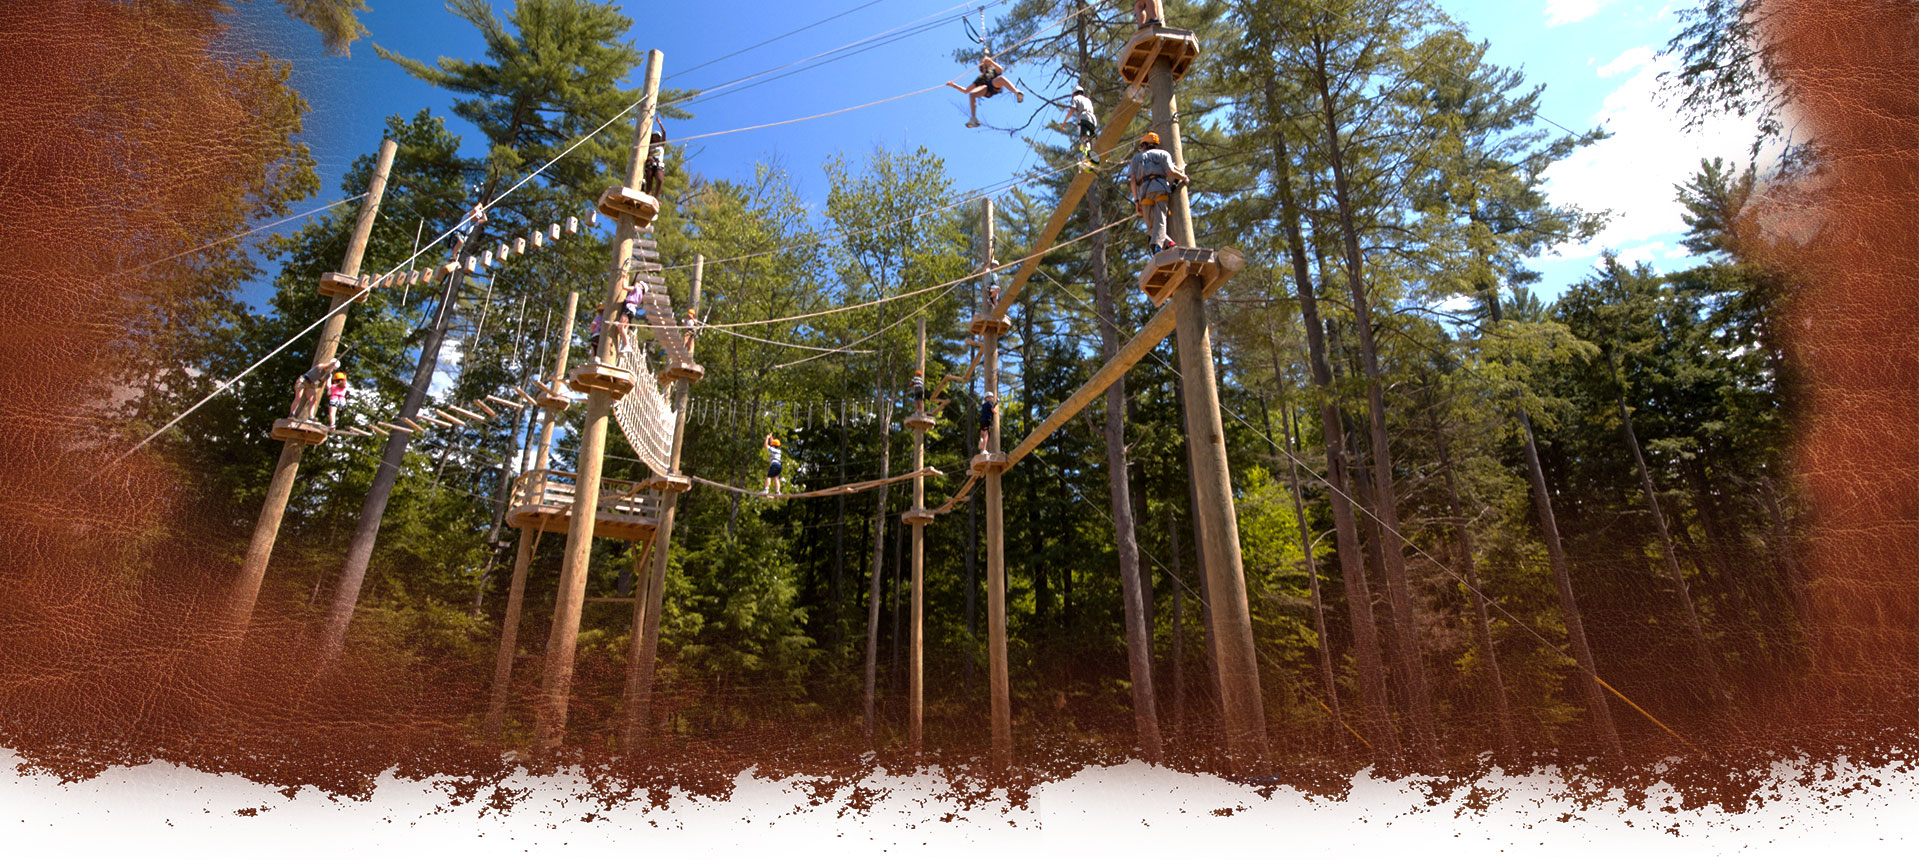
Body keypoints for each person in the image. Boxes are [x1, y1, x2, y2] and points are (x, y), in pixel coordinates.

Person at [1128, 131, 1186, 254]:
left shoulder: (1136, 158)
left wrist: (1136, 201)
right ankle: (1168, 244)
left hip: (1145, 193)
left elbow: (1132, 181)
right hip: (1160, 189)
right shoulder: (1163, 154)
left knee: (1151, 225)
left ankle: (1157, 246)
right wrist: (1183, 177)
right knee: (1159, 221)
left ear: (1144, 145)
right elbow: (1170, 171)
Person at [945, 54, 1024, 128]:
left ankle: (1016, 92)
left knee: (1001, 79)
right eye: (982, 63)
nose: (984, 63)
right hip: (986, 89)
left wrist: (991, 61)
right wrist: (953, 85)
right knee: (972, 94)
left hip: (994, 84)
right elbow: (966, 90)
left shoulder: (992, 71)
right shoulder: (980, 78)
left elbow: (1000, 70)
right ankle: (973, 118)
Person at [290, 358, 339, 422]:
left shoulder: (329, 375)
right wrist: (330, 364)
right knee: (298, 397)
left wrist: (330, 389)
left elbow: (328, 384)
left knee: (313, 400)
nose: (331, 369)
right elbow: (320, 366)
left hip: (310, 385)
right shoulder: (321, 367)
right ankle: (292, 414)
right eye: (331, 367)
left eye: (333, 368)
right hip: (303, 381)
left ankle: (311, 416)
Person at [1063, 85, 1099, 170]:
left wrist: (1064, 122)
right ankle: (1090, 158)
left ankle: (1087, 159)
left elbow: (1072, 109)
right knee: (1088, 141)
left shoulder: (1076, 98)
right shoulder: (1088, 100)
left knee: (1084, 140)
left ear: (1074, 93)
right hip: (1093, 120)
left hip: (1084, 118)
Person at [641, 130, 666, 197]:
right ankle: (648, 194)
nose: (656, 138)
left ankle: (656, 197)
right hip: (650, 165)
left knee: (660, 179)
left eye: (657, 137)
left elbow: (664, 132)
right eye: (654, 136)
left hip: (658, 165)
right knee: (649, 180)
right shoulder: (649, 147)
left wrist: (659, 123)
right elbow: (645, 156)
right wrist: (649, 158)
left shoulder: (661, 146)